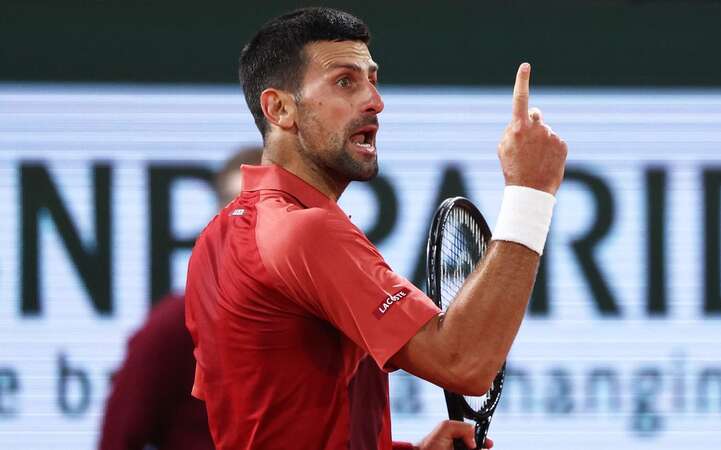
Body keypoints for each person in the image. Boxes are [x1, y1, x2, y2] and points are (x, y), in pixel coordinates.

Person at [185, 7, 567, 450]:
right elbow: (464, 363)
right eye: (345, 81)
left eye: (373, 79)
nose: (375, 101)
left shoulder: (217, 237)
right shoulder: (305, 232)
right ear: (280, 108)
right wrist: (530, 192)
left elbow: (269, 419)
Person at [98, 147, 262, 450]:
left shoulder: (330, 322)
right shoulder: (176, 325)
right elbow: (118, 439)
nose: (247, 219)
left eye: (266, 203)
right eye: (234, 205)